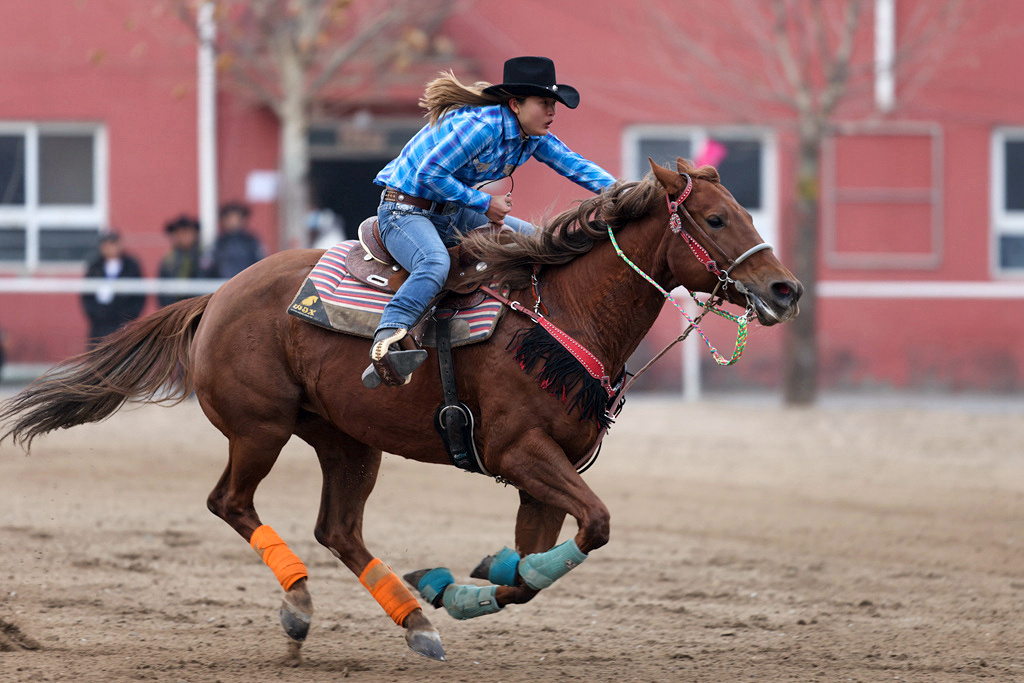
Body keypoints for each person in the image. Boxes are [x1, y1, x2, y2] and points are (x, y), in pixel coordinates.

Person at [363, 55, 616, 388]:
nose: (553, 112)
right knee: (434, 263)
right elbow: (429, 174)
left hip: (450, 213)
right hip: (404, 211)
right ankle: (388, 339)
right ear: (515, 104)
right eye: (544, 103)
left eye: (554, 104)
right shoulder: (480, 127)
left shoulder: (532, 137)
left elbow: (575, 165)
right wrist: (484, 203)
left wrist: (627, 193)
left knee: (540, 243)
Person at [81, 231, 146, 349]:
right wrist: (97, 313)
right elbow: (86, 295)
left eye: (113, 244)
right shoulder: (95, 267)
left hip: (123, 323)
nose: (110, 248)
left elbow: (139, 295)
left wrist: (128, 316)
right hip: (100, 324)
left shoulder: (131, 266)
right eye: (106, 245)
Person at [157, 214, 211, 307]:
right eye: (179, 233)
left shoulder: (205, 258)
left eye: (186, 232)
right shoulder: (168, 260)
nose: (183, 237)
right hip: (175, 309)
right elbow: (162, 289)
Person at [210, 201, 265, 279]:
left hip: (248, 284)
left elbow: (260, 263)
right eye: (230, 218)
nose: (233, 221)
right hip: (223, 286)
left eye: (236, 218)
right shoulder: (219, 243)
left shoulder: (251, 242)